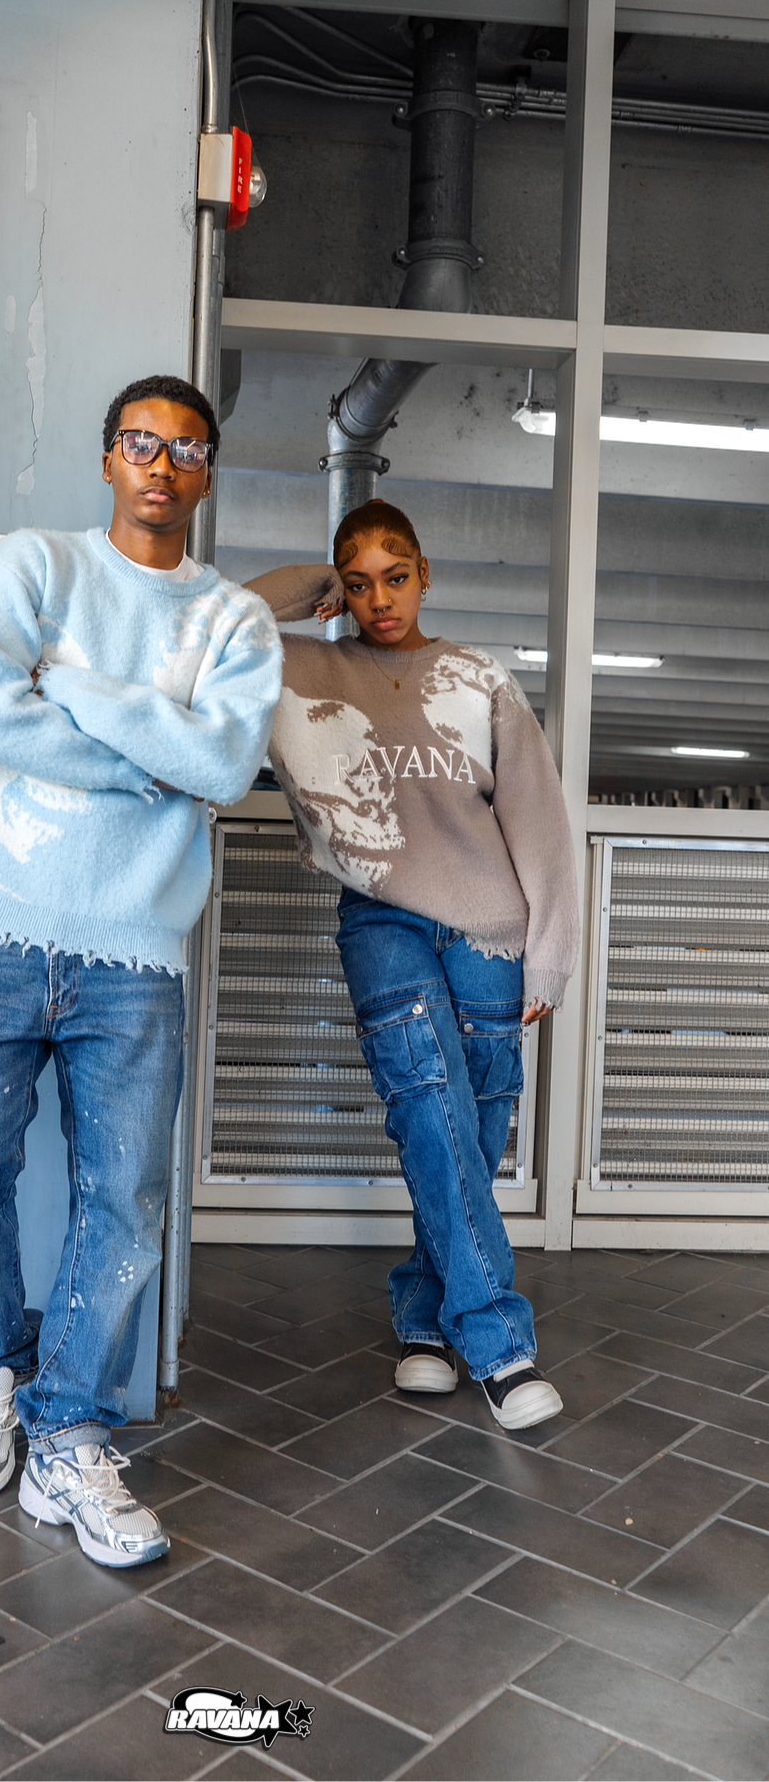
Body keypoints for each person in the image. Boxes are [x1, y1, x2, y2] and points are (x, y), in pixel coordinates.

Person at [0, 373, 281, 1563]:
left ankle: (69, 1433)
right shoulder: (33, 568)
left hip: (135, 953)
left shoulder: (235, 624)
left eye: (185, 448)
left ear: (207, 472)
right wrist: (135, 756)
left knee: (123, 1202)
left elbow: (220, 763)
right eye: (139, 443)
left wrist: (67, 685)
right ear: (107, 457)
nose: (161, 466)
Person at [245, 498, 578, 1432]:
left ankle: (425, 1320)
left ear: (426, 573)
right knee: (428, 1106)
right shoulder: (301, 667)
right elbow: (209, 628)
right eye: (358, 582)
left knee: (474, 1129)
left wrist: (548, 956)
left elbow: (540, 823)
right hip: (381, 920)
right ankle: (499, 1344)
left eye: (396, 577)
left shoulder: (477, 679)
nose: (379, 599)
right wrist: (306, 587)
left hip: (489, 930)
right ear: (338, 588)